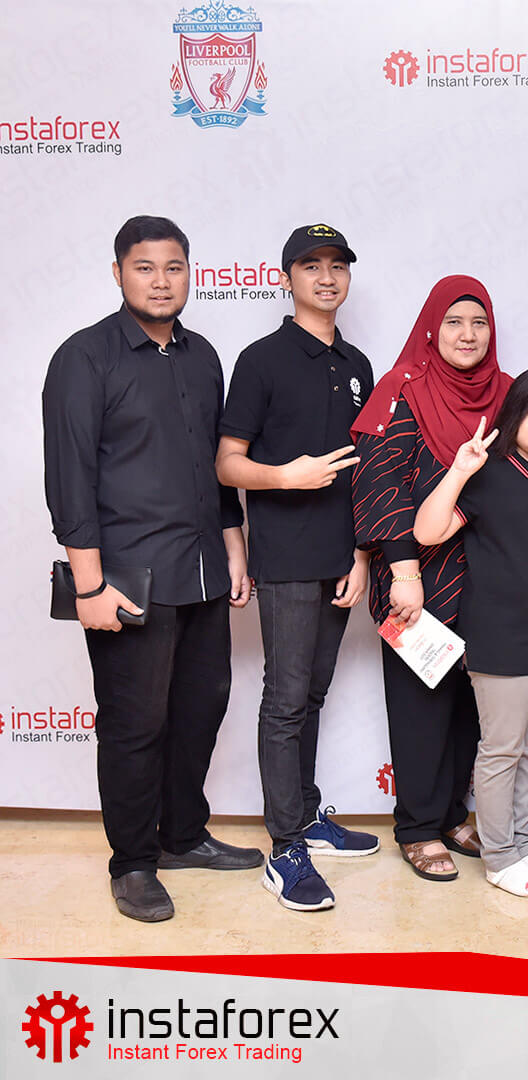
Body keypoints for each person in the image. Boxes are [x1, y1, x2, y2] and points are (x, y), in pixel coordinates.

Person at [42, 215, 262, 924]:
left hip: (202, 572)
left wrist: (233, 546)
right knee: (134, 726)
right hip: (126, 581)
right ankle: (134, 863)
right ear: (118, 273)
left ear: (189, 274)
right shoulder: (84, 357)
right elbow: (69, 479)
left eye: (174, 267)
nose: (161, 281)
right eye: (145, 267)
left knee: (200, 711)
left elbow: (215, 467)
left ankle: (183, 836)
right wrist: (87, 585)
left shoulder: (202, 357)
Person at [216, 223, 379, 913]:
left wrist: (363, 554)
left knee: (311, 695)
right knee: (284, 701)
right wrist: (286, 475)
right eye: (311, 265)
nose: (327, 276)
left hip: (341, 557)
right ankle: (285, 847)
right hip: (284, 557)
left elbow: (370, 471)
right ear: (287, 278)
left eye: (337, 265)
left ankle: (307, 817)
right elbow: (227, 463)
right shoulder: (261, 360)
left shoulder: (359, 364)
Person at [351, 276, 511, 882]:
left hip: (487, 575)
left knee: (470, 703)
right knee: (420, 703)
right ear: (430, 329)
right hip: (416, 574)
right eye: (454, 322)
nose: (468, 335)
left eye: (479, 322)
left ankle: (450, 813)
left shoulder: (507, 394)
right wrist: (404, 571)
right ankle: (417, 827)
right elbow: (379, 483)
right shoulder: (403, 389)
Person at [414, 368, 528, 897]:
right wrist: (459, 471)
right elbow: (427, 531)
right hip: (497, 636)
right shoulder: (487, 473)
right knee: (502, 749)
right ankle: (499, 857)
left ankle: (522, 845)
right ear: (515, 414)